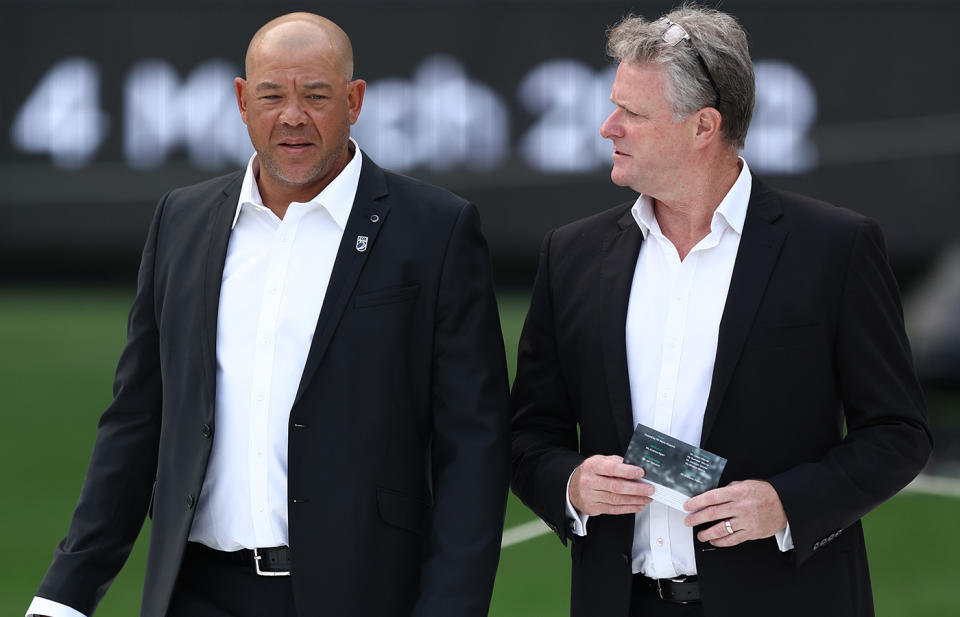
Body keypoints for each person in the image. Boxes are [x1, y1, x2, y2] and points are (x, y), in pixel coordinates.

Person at [27, 12, 510, 617]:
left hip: (359, 596)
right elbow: (135, 422)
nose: (292, 116)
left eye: (316, 96)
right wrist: (64, 597)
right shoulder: (182, 220)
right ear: (240, 100)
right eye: (272, 95)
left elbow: (474, 448)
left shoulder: (436, 231)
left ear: (355, 101)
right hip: (195, 592)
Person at [510, 5, 932, 617]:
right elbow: (528, 433)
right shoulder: (572, 254)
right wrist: (571, 485)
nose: (607, 127)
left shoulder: (834, 248)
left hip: (787, 599)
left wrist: (787, 503)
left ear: (703, 126)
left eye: (631, 112)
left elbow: (898, 433)